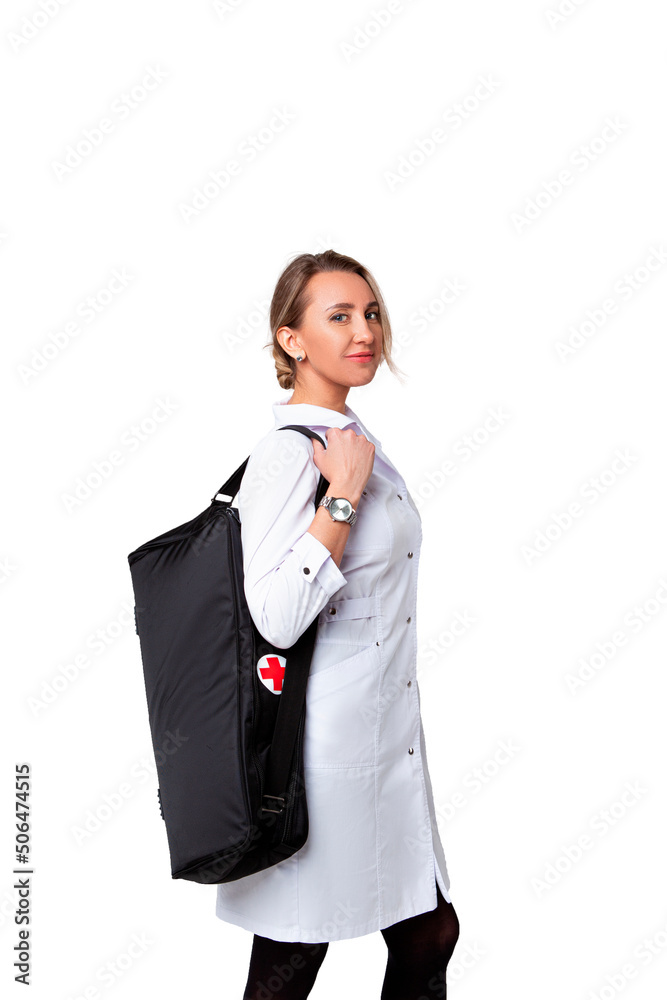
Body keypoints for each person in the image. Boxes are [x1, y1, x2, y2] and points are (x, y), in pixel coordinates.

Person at [216, 249, 460, 999]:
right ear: (291, 340)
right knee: (293, 953)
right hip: (319, 757)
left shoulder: (353, 441)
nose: (365, 332)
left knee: (427, 931)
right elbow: (273, 616)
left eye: (372, 313)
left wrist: (351, 478)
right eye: (340, 316)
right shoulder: (291, 455)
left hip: (384, 741)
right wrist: (342, 499)